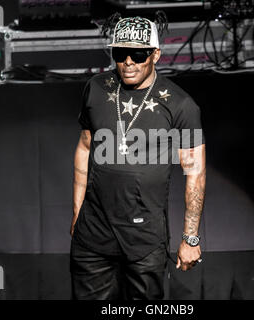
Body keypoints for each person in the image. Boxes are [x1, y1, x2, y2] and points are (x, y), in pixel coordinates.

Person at [70, 13, 206, 300]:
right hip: (93, 236)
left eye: (138, 54)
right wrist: (77, 212)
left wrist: (190, 238)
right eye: (120, 53)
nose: (128, 61)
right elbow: (84, 148)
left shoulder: (182, 105)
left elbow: (195, 172)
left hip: (145, 240)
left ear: (155, 54)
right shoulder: (95, 88)